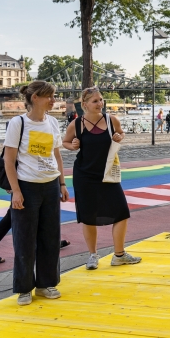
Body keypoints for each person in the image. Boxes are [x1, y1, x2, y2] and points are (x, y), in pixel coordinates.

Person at [4, 81, 69, 306]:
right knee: (24, 240)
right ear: (35, 98)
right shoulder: (18, 123)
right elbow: (9, 160)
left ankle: (45, 284)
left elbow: (56, 155)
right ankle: (24, 288)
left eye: (54, 96)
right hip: (27, 186)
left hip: (50, 185)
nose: (53, 100)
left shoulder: (52, 122)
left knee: (50, 238)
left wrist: (62, 183)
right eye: (49, 96)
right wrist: (16, 191)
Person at [62, 87, 140, 271]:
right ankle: (93, 255)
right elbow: (65, 142)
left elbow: (121, 133)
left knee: (121, 212)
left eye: (101, 99)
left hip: (108, 174)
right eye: (95, 101)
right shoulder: (77, 124)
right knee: (88, 216)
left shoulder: (111, 120)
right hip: (84, 176)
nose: (100, 103)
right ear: (85, 104)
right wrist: (73, 146)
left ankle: (119, 255)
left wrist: (119, 136)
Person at [0, 206, 70, 264]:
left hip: (25, 187)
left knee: (12, 217)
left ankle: (50, 242)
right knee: (12, 217)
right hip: (25, 187)